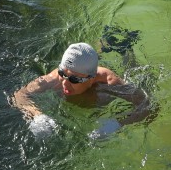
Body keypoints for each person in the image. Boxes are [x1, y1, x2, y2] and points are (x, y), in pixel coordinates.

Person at [13, 41, 151, 139]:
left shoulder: (110, 83)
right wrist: (37, 115)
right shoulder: (54, 77)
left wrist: (118, 124)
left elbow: (148, 106)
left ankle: (120, 43)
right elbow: (19, 96)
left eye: (74, 79)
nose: (65, 84)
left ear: (92, 78)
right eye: (63, 74)